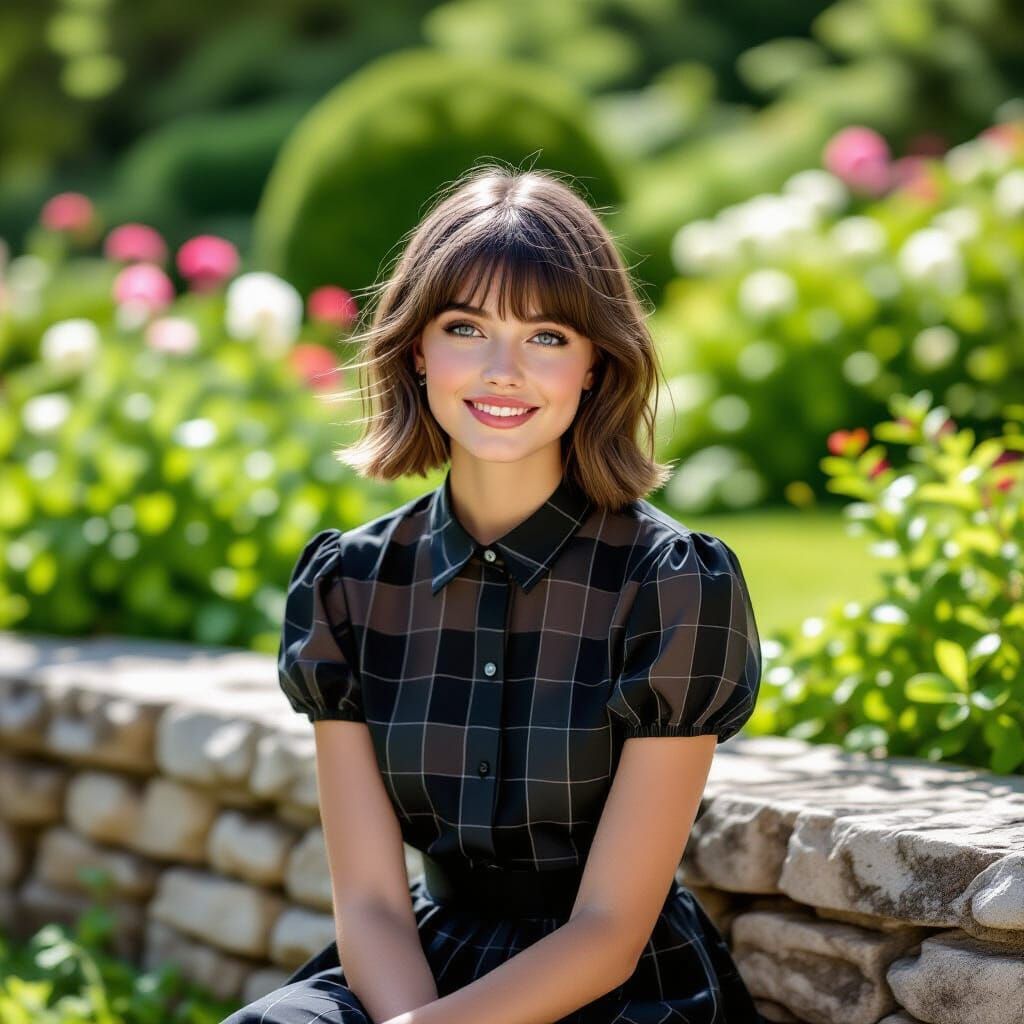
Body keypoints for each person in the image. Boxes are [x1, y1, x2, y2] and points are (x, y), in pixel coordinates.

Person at [221, 163, 765, 1024]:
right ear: (417, 350)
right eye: (467, 327)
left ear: (594, 364)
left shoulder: (671, 584)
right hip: (417, 970)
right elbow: (368, 904)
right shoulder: (350, 585)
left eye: (547, 336)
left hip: (607, 986)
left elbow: (611, 928)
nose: (503, 370)